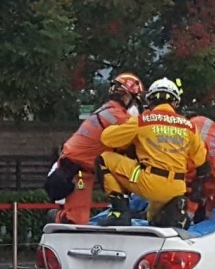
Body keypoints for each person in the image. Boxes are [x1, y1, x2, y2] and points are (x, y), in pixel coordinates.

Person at [96, 78, 211, 227]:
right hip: (176, 188)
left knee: (104, 159)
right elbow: (202, 164)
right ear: (175, 103)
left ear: (150, 100)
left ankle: (119, 212)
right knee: (154, 219)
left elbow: (107, 139)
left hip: (149, 182)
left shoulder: (143, 120)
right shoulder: (188, 126)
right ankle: (173, 211)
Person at [47, 73, 143, 224]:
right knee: (76, 220)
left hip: (77, 167)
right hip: (77, 172)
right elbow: (137, 143)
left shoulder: (106, 111)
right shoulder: (118, 117)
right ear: (126, 96)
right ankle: (56, 216)